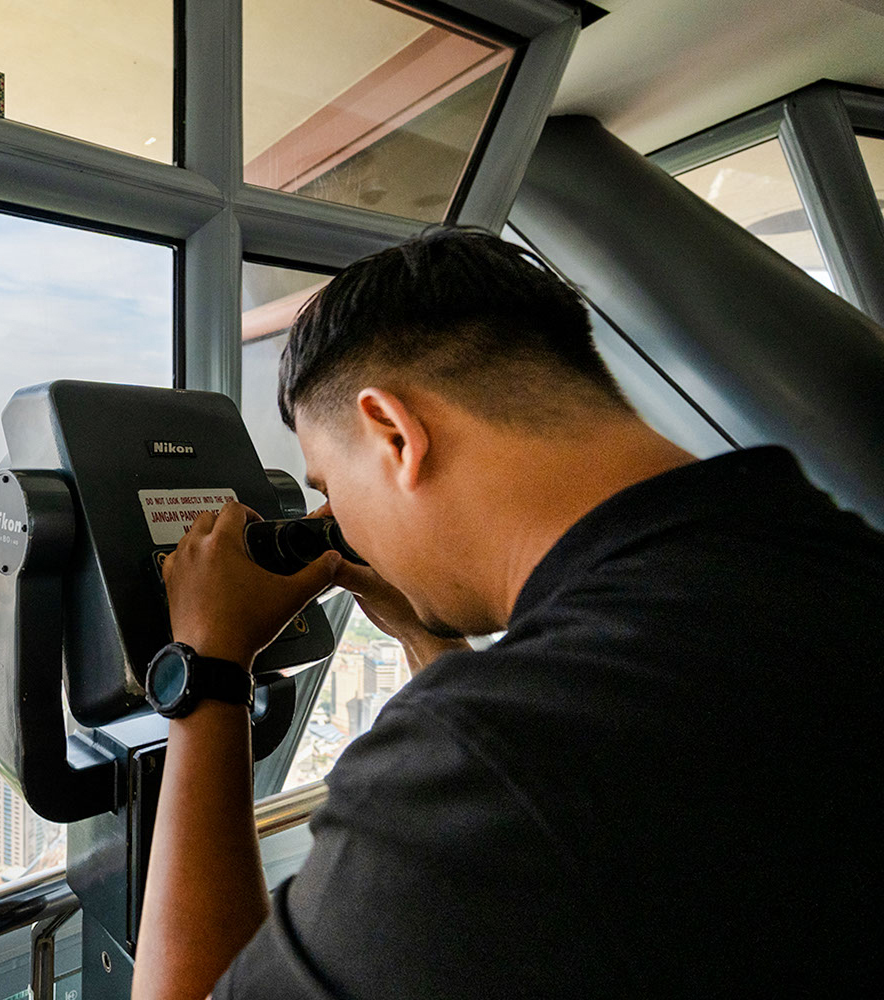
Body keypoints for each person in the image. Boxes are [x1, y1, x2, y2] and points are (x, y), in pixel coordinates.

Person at [132, 229, 882, 1000]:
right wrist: (428, 633)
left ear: (394, 434)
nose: (337, 522)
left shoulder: (491, 754)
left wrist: (208, 672)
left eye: (330, 482)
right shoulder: (828, 550)